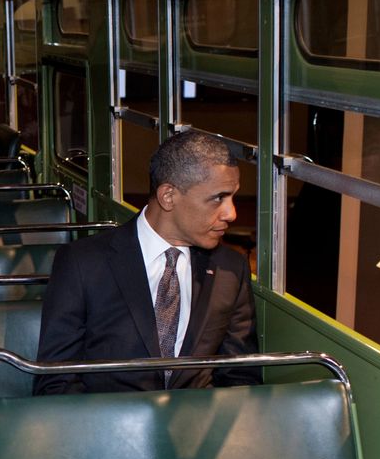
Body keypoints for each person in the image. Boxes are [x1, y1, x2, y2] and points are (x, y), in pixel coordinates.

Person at [34, 131, 260, 394]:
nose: (231, 213)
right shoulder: (83, 263)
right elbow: (55, 381)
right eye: (218, 198)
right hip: (108, 425)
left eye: (233, 197)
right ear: (168, 197)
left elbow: (241, 376)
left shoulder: (230, 268)